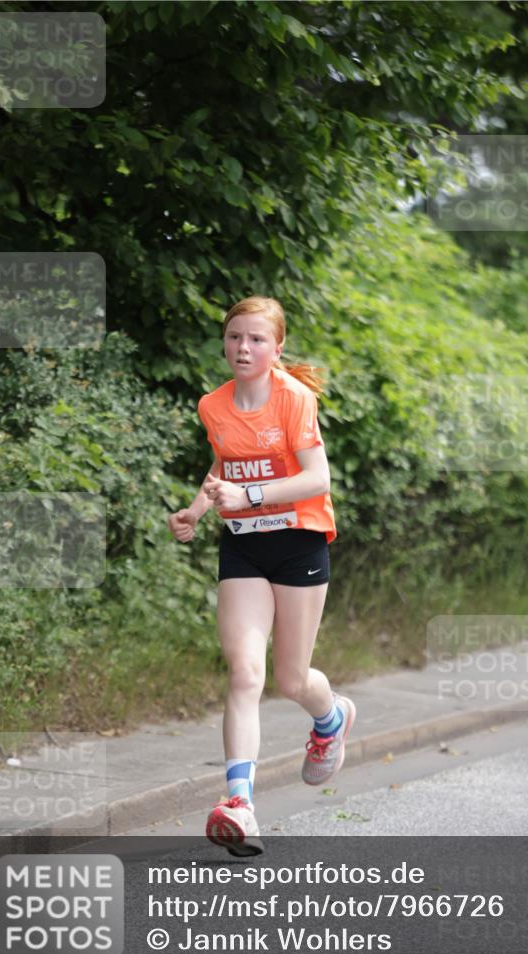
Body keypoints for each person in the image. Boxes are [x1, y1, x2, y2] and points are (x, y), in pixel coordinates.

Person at [168, 295, 355, 856]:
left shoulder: (293, 399)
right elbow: (225, 461)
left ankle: (330, 719)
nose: (242, 348)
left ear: (276, 348)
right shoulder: (213, 405)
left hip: (298, 542)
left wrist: (249, 495)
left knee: (291, 681)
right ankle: (240, 805)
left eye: (255, 340)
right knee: (245, 672)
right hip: (244, 547)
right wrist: (197, 510)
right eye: (234, 338)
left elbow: (316, 478)